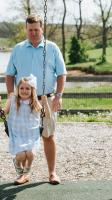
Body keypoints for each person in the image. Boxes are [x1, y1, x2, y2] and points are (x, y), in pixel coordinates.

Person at [6, 14, 67, 184]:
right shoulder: (18, 49)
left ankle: (52, 173)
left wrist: (59, 96)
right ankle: (24, 174)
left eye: (36, 29)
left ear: (42, 29)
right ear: (26, 29)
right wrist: (11, 97)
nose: (33, 33)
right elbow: (9, 75)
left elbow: (62, 74)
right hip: (22, 101)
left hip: (45, 99)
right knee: (24, 140)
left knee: (48, 135)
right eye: (30, 29)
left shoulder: (52, 47)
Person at [0, 74, 50, 185]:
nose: (24, 90)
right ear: (18, 89)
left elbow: (45, 114)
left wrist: (45, 102)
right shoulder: (12, 99)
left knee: (31, 154)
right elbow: (4, 112)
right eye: (21, 88)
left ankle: (26, 171)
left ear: (32, 91)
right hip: (17, 133)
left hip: (31, 134)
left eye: (27, 88)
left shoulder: (35, 102)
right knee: (21, 155)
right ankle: (18, 166)